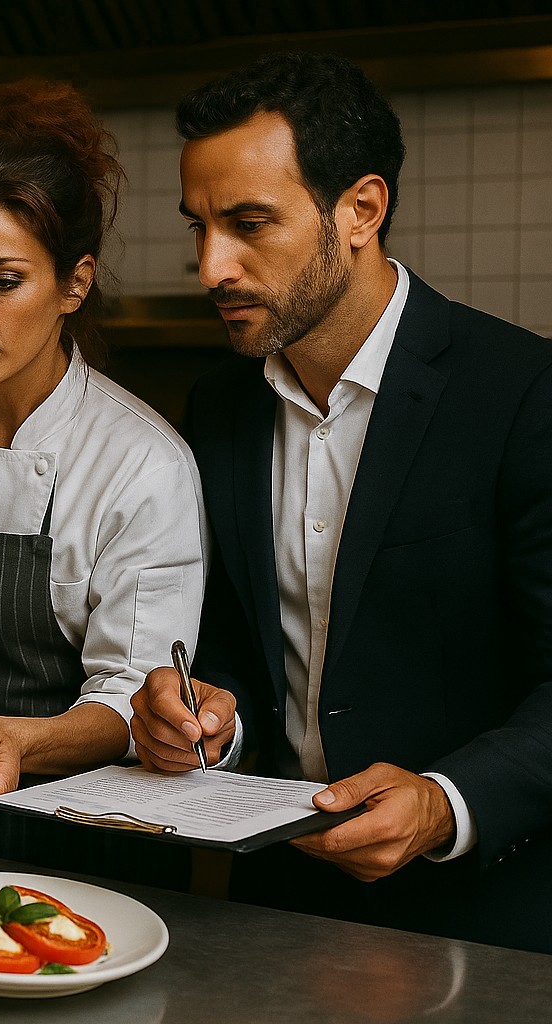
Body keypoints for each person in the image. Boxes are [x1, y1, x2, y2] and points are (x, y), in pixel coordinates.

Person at [131, 52, 552, 952]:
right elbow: (243, 643)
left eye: (248, 223)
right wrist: (210, 714)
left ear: (361, 210)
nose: (211, 266)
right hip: (280, 900)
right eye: (198, 226)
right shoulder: (221, 405)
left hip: (486, 916)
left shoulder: (524, 395)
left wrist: (446, 804)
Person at [0, 82, 206, 885]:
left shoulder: (141, 463)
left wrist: (23, 739)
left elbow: (135, 695)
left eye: (3, 280)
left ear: (74, 284)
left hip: (90, 822)